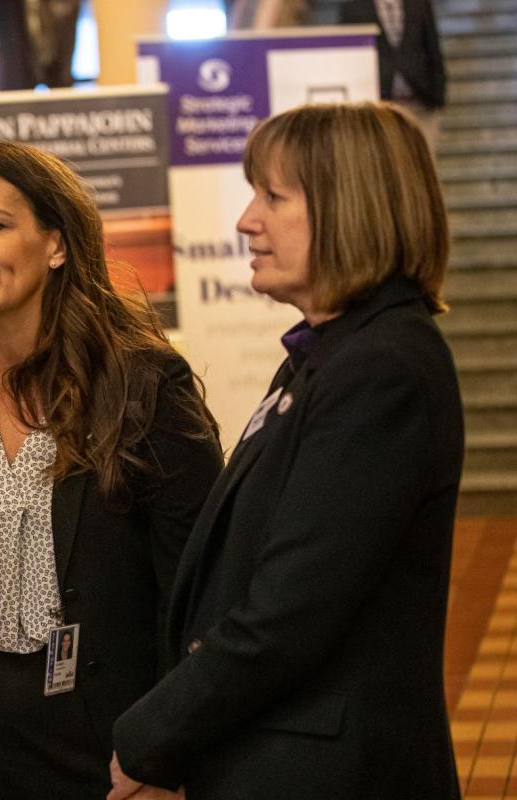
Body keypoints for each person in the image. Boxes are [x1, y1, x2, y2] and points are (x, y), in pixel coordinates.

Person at [108, 102, 463, 800]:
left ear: (347, 207)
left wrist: (153, 736)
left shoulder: (379, 369)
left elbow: (290, 612)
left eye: (273, 195)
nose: (247, 220)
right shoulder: (324, 355)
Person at [0, 141, 223, 800]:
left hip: (99, 738)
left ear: (57, 244)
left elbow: (196, 584)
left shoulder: (140, 383)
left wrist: (171, 743)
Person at [340, 0, 446, 147]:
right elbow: (347, 56)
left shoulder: (419, 3)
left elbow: (432, 48)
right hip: (378, 107)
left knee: (421, 162)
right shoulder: (355, 7)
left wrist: (438, 96)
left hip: (419, 101)